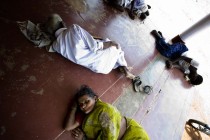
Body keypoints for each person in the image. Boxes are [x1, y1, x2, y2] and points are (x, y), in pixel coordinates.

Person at [44, 14, 136, 79]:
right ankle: (124, 67)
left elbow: (51, 46)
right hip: (103, 58)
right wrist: (110, 43)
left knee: (98, 47)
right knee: (115, 46)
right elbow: (96, 47)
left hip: (102, 69)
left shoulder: (56, 46)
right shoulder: (74, 29)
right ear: (62, 23)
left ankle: (121, 65)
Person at [65, 85, 150, 140]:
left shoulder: (105, 111)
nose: (84, 106)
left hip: (133, 135)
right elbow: (68, 127)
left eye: (87, 101)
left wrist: (84, 138)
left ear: (95, 99)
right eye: (81, 104)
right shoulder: (86, 113)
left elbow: (111, 137)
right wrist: (74, 107)